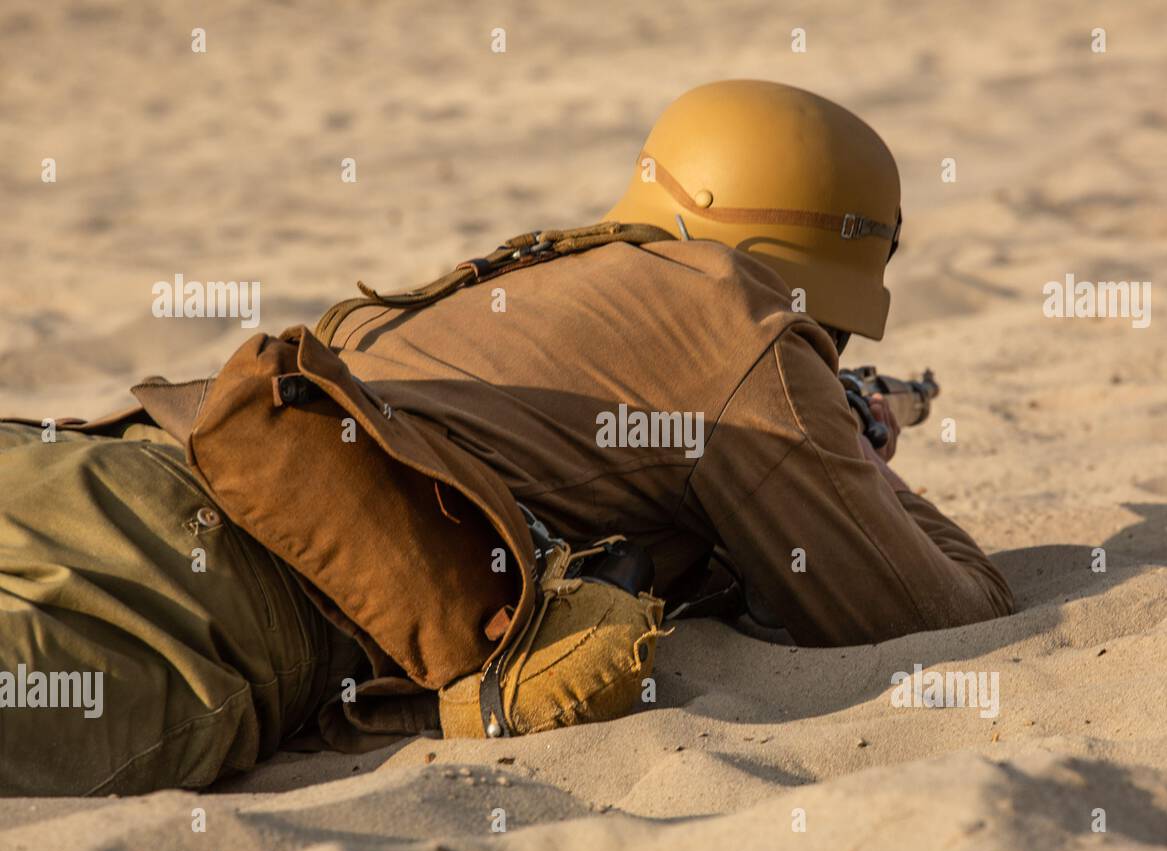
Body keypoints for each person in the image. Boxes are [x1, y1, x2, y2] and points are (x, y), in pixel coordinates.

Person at [0, 79, 1012, 797]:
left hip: (97, 461)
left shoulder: (533, 277)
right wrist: (858, 447)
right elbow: (924, 613)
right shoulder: (738, 316)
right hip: (208, 595)